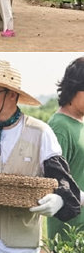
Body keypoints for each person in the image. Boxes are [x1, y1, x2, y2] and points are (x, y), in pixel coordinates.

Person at [0, 60, 81, 253]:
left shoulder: (40, 132)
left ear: (11, 94)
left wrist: (59, 200)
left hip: (21, 246)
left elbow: (62, 180)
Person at [47, 57, 84, 241]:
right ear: (74, 89)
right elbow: (53, 182)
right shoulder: (60, 128)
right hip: (70, 232)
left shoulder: (79, 123)